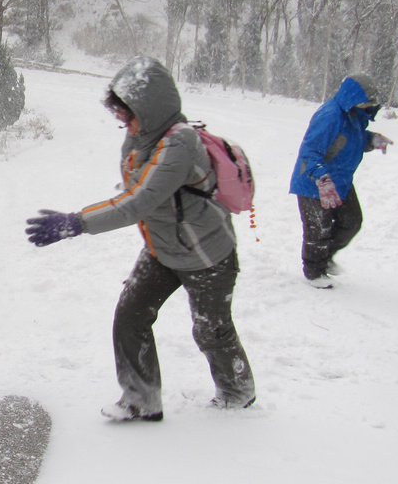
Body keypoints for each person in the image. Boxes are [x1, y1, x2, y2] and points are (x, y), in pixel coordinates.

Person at [25, 56, 255, 421]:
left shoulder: (180, 144)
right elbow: (138, 186)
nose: (122, 121)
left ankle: (237, 394)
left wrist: (77, 222)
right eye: (119, 113)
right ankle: (141, 398)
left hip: (207, 254)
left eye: (127, 113)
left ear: (151, 109)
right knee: (130, 317)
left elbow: (137, 201)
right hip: (162, 249)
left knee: (211, 331)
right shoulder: (140, 136)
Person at [289, 74, 393, 288]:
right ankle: (315, 271)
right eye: (367, 100)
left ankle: (325, 256)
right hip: (313, 181)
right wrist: (322, 179)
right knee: (318, 229)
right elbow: (310, 151)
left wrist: (371, 139)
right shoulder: (329, 116)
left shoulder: (355, 113)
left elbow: (351, 139)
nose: (370, 105)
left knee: (352, 221)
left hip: (340, 180)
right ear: (353, 96)